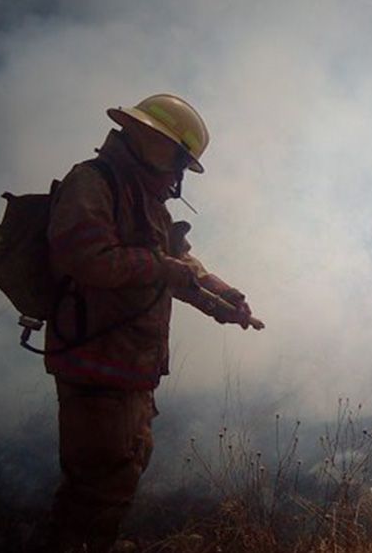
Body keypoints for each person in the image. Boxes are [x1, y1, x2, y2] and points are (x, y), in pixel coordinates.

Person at [41, 93, 262, 553]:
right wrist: (162, 268)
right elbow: (88, 258)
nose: (178, 175)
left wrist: (227, 300)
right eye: (178, 160)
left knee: (124, 467)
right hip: (95, 364)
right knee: (97, 486)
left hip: (127, 368)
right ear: (153, 142)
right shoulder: (92, 183)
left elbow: (181, 267)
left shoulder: (144, 200)